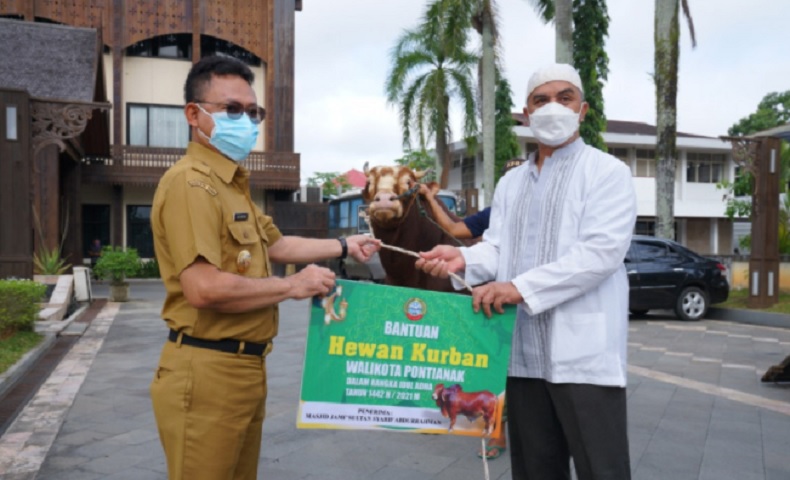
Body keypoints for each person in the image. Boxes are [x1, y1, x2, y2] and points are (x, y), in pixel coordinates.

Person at [149, 55, 379, 480]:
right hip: (206, 370)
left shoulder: (231, 184)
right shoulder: (191, 183)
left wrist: (345, 244)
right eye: (231, 110)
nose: (247, 121)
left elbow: (277, 244)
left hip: (245, 368)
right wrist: (292, 286)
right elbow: (203, 288)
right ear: (193, 114)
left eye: (253, 112)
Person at [415, 63, 636, 480]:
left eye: (564, 97)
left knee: (602, 468)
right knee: (535, 469)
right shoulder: (510, 184)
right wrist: (465, 259)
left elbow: (601, 253)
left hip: (583, 356)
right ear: (526, 113)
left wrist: (517, 287)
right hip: (519, 355)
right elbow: (498, 248)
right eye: (541, 99)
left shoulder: (607, 172)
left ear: (583, 109)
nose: (553, 107)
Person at [418, 158, 525, 460]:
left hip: (537, 305)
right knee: (495, 371)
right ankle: (497, 435)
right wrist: (429, 198)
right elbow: (454, 228)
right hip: (492, 305)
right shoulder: (496, 214)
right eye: (510, 178)